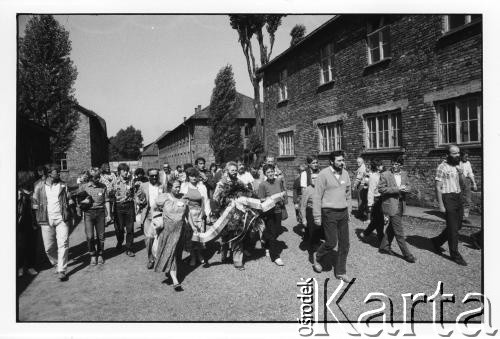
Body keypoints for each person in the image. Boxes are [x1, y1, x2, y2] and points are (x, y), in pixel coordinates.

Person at [312, 151, 351, 281]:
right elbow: (317, 196)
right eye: (339, 160)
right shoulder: (323, 175)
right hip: (329, 212)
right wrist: (317, 216)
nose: (342, 163)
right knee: (331, 242)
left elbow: (348, 194)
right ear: (331, 162)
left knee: (345, 243)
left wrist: (349, 211)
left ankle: (340, 271)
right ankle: (317, 256)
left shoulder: (345, 173)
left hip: (343, 212)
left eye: (342, 160)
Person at [32, 164, 74, 281]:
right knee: (48, 248)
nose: (59, 174)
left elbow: (69, 198)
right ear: (49, 173)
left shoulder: (63, 185)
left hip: (62, 218)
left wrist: (71, 205)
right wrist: (35, 216)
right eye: (57, 172)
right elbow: (34, 202)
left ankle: (62, 269)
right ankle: (56, 262)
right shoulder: (39, 186)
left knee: (63, 244)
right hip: (46, 219)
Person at [431, 145, 467, 266]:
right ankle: (455, 254)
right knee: (453, 229)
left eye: (458, 153)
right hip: (448, 198)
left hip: (458, 196)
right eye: (454, 153)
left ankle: (437, 241)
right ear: (447, 155)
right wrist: (441, 205)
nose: (457, 155)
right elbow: (437, 186)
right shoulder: (442, 167)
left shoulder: (458, 165)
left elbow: (462, 183)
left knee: (458, 225)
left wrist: (461, 173)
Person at [213, 161, 254, 270]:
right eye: (232, 170)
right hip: (226, 212)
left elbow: (247, 191)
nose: (235, 172)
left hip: (238, 212)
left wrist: (242, 199)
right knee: (225, 234)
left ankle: (238, 261)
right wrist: (228, 200)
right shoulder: (222, 183)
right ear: (227, 171)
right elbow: (215, 198)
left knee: (238, 235)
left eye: (236, 170)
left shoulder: (239, 182)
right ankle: (224, 252)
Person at [377, 156, 416, 263]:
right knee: (399, 231)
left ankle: (384, 246)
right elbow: (381, 189)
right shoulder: (385, 174)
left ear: (401, 165)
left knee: (392, 226)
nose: (394, 166)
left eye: (397, 164)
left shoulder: (404, 174)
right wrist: (397, 189)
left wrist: (407, 189)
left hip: (401, 204)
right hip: (391, 205)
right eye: (393, 164)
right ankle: (407, 254)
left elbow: (408, 186)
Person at [154, 180, 189, 292]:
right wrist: (157, 220)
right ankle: (175, 281)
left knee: (175, 253)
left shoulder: (183, 198)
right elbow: (153, 208)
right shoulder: (163, 197)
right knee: (171, 253)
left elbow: (187, 213)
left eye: (179, 187)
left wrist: (192, 226)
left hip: (179, 231)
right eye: (176, 187)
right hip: (167, 231)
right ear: (170, 187)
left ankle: (169, 270)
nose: (178, 189)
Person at [78, 167, 111, 265]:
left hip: (100, 213)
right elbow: (78, 202)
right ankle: (92, 255)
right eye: (95, 177)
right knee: (90, 236)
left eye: (98, 177)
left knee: (101, 236)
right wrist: (83, 202)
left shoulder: (103, 186)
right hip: (88, 213)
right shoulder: (83, 187)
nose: (98, 179)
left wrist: (108, 215)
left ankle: (100, 254)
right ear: (90, 177)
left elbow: (107, 201)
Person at [135, 168, 167, 269]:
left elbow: (167, 198)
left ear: (158, 175)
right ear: (148, 176)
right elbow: (136, 196)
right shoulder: (144, 185)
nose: (154, 177)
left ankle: (160, 258)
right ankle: (150, 258)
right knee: (149, 238)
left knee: (160, 238)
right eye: (151, 175)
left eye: (155, 175)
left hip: (160, 215)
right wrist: (139, 201)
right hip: (148, 215)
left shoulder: (162, 185)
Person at [258, 164, 288, 266]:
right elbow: (260, 199)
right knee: (272, 233)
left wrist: (283, 197)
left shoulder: (278, 181)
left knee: (276, 231)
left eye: (271, 171)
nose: (270, 174)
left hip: (278, 210)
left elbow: (282, 191)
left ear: (274, 171)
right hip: (269, 212)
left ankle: (265, 241)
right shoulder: (263, 184)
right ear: (265, 174)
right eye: (268, 172)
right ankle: (275, 256)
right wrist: (269, 199)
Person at [182, 167, 210, 267]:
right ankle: (192, 256)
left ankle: (199, 255)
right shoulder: (184, 186)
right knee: (190, 237)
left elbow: (206, 201)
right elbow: (182, 202)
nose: (194, 178)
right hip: (188, 215)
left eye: (195, 176)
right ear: (188, 177)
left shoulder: (202, 187)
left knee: (199, 235)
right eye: (191, 176)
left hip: (199, 214)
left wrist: (207, 213)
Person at [17, 170, 38, 277]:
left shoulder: (32, 192)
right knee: (20, 246)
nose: (32, 181)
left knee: (31, 245)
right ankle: (20, 267)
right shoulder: (18, 192)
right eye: (31, 179)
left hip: (31, 222)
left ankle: (30, 266)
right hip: (20, 223)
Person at [359, 160, 385, 244]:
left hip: (380, 199)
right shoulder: (373, 176)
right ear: (377, 167)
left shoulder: (381, 175)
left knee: (377, 220)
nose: (382, 166)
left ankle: (365, 233)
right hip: (376, 200)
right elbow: (370, 191)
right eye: (381, 165)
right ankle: (382, 239)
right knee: (379, 220)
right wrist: (370, 204)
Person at [113, 163, 136, 257]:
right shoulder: (114, 181)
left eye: (127, 170)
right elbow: (110, 194)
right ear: (119, 172)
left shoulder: (131, 181)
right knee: (120, 228)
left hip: (129, 206)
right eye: (124, 171)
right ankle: (120, 241)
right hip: (118, 206)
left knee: (130, 229)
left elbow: (134, 192)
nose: (126, 172)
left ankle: (129, 248)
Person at [300, 169, 321, 261]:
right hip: (311, 211)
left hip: (321, 212)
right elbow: (303, 206)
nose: (314, 180)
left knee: (319, 230)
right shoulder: (307, 190)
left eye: (316, 178)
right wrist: (304, 218)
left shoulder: (322, 188)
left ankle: (316, 243)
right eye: (312, 178)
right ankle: (313, 253)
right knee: (313, 231)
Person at [458, 151, 477, 223]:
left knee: (468, 200)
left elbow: (470, 173)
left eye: (467, 156)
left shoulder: (468, 163)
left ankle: (465, 217)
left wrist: (474, 183)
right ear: (461, 156)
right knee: (459, 199)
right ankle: (458, 216)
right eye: (465, 156)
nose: (467, 158)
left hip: (466, 181)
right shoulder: (457, 163)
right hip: (458, 182)